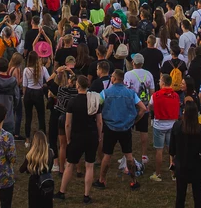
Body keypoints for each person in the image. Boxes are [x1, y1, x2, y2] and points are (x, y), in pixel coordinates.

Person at [96, 69, 144, 190]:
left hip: (110, 127)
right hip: (125, 128)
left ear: (114, 78)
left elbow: (96, 106)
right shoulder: (131, 93)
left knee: (107, 155)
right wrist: (134, 120)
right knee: (129, 155)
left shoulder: (105, 92)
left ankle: (102, 180)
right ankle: (134, 180)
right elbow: (143, 108)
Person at [57, 74, 102, 203]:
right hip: (91, 135)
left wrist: (68, 137)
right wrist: (99, 135)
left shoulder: (73, 101)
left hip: (77, 135)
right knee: (89, 165)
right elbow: (99, 122)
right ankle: (86, 195)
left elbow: (67, 123)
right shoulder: (94, 100)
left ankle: (62, 191)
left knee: (70, 164)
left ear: (77, 85)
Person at [169, 100, 201, 208]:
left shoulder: (177, 126)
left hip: (181, 166)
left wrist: (172, 164)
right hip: (197, 167)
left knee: (180, 197)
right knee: (198, 197)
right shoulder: (199, 128)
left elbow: (172, 149)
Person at [151, 72, 179, 182]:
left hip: (159, 125)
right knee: (172, 150)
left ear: (163, 83)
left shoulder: (156, 95)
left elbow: (150, 106)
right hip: (172, 125)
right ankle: (174, 173)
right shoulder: (175, 95)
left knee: (159, 150)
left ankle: (158, 174)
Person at [22, 130, 54, 208]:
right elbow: (50, 167)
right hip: (46, 181)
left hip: (34, 183)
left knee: (34, 204)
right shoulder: (50, 153)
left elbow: (21, 169)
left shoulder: (31, 155)